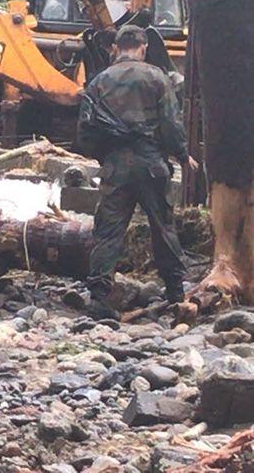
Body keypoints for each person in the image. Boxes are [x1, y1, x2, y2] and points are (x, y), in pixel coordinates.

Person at [77, 25, 197, 320]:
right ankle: (175, 292)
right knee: (162, 226)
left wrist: (105, 157)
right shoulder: (157, 77)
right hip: (152, 163)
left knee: (108, 231)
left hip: (116, 166)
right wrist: (182, 155)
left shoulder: (99, 81)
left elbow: (85, 130)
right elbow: (171, 122)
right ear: (143, 47)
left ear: (116, 48)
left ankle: (100, 298)